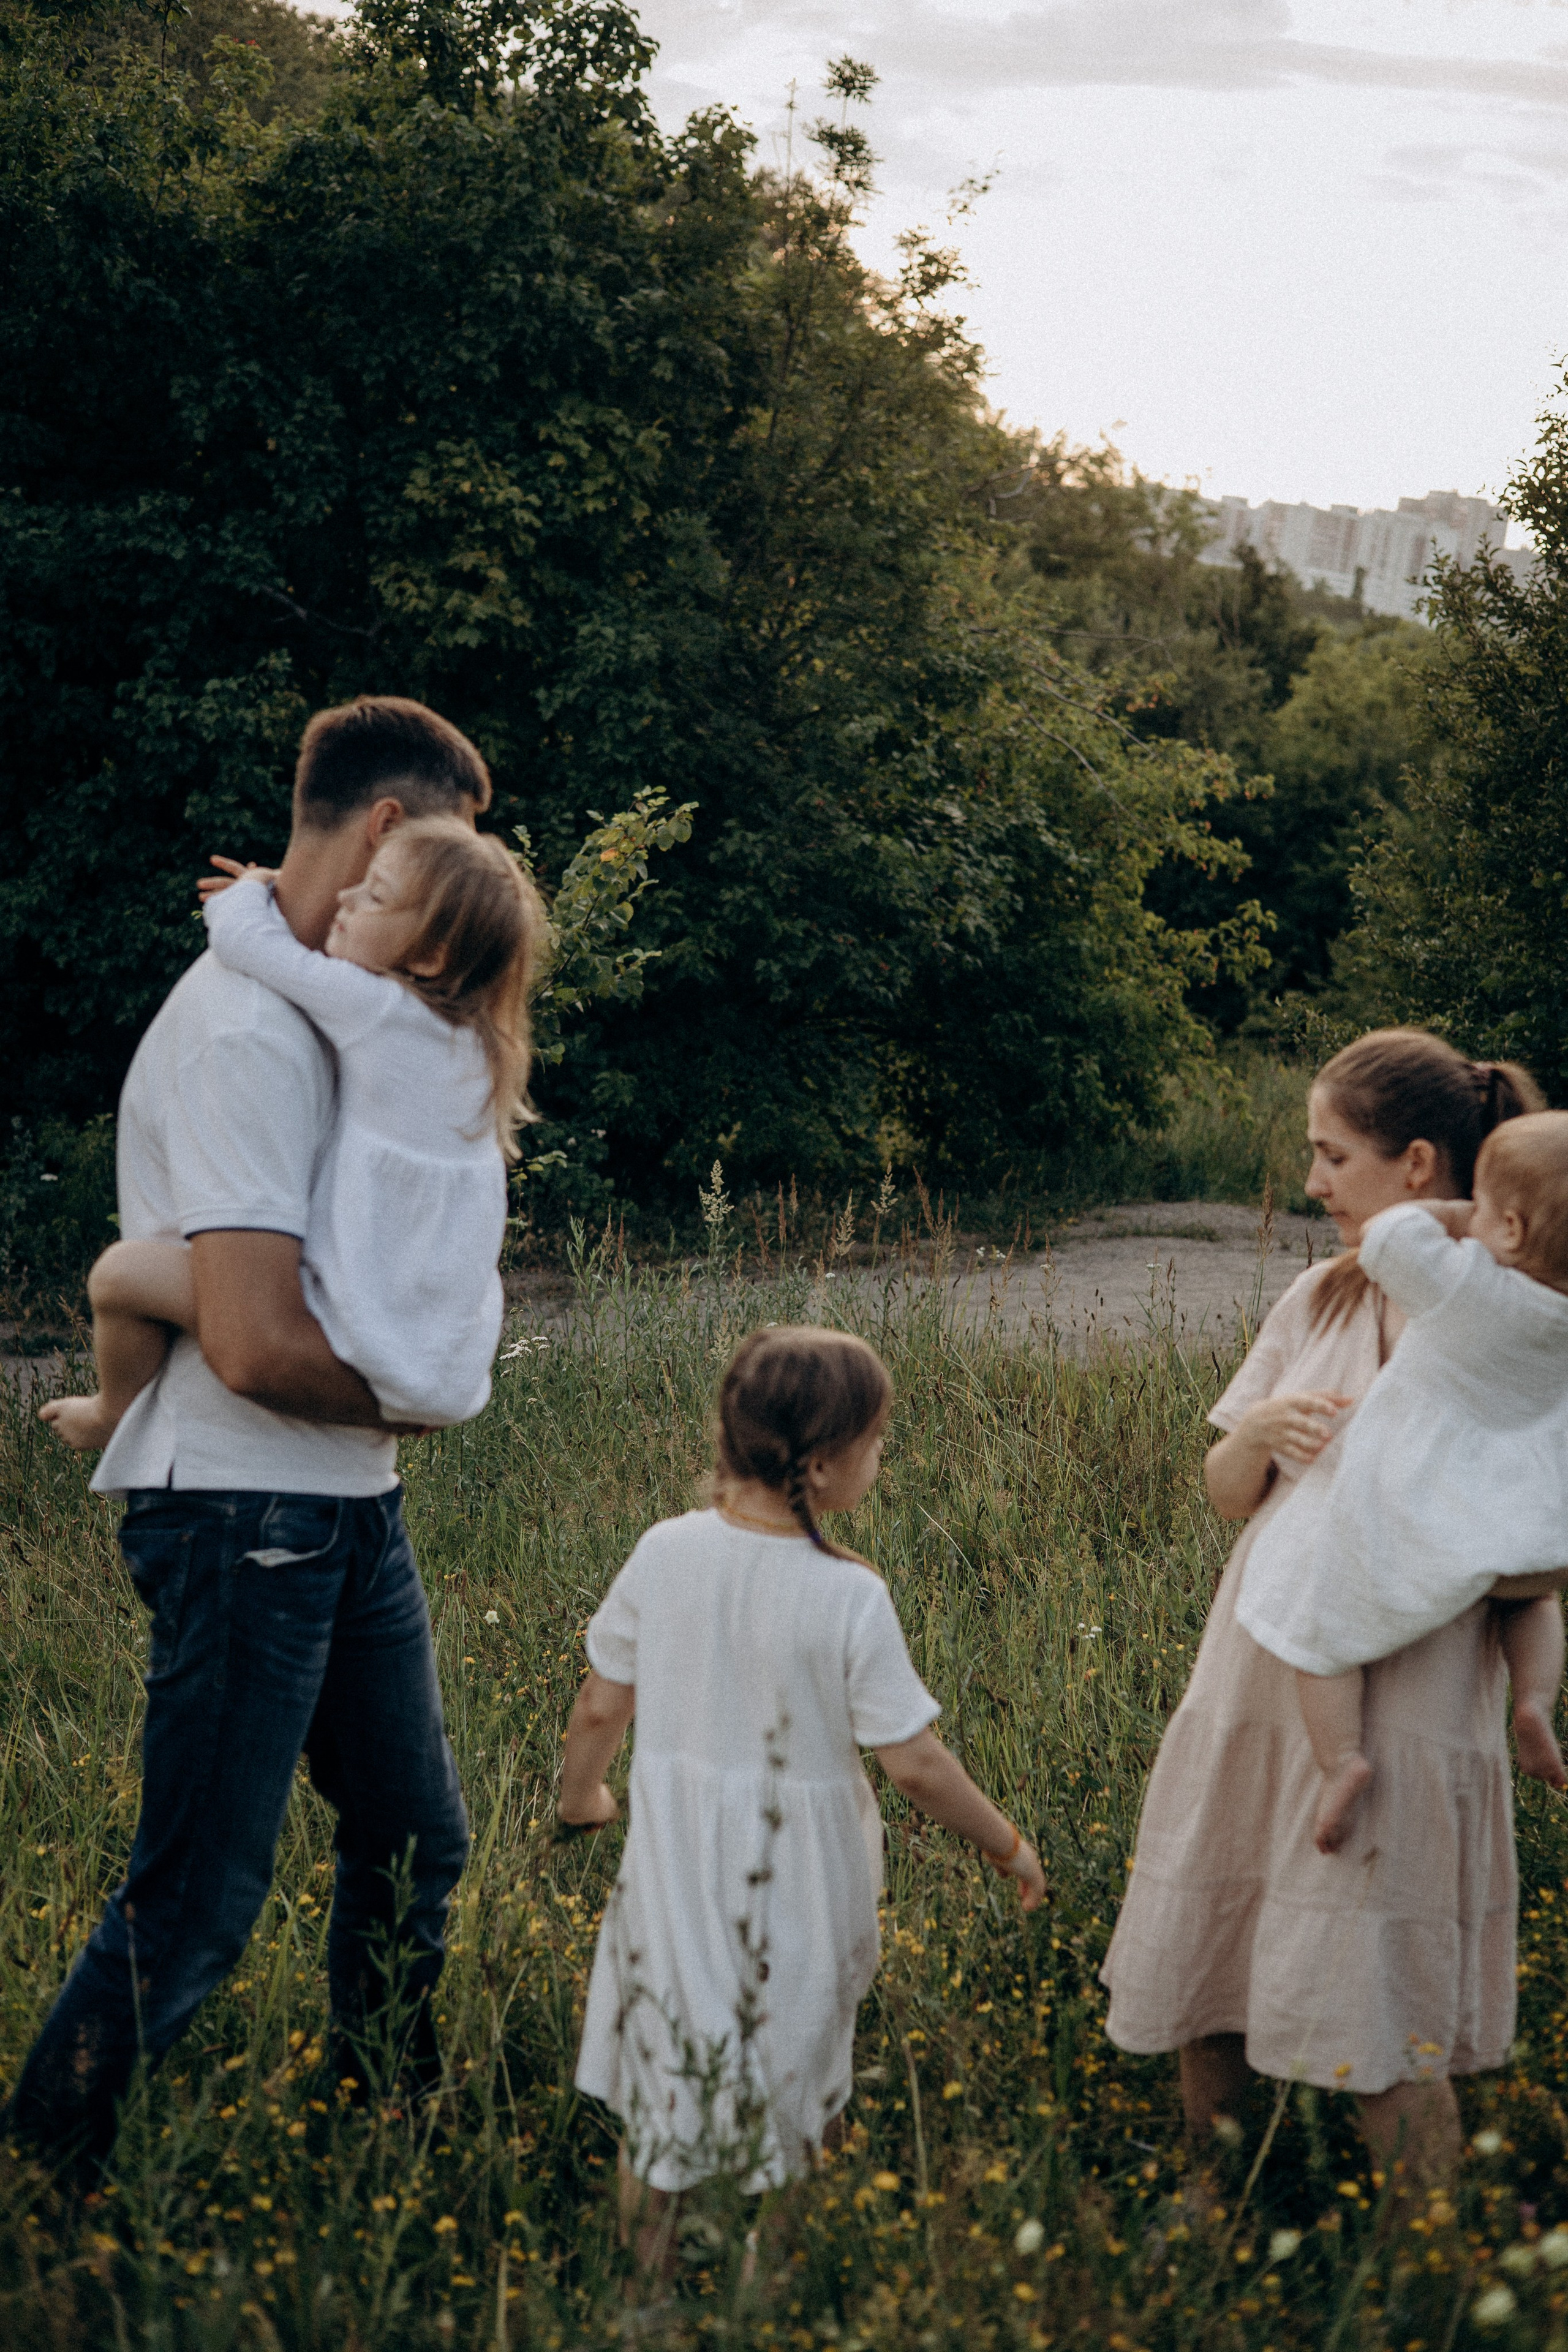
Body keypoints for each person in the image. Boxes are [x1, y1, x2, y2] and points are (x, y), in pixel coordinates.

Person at [5, 695, 487, 2167]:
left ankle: (379, 2123)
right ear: (387, 827)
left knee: (412, 1837)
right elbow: (253, 1339)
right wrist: (418, 1396)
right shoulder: (247, 1034)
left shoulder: (335, 997)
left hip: (339, 1501)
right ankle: (44, 2171)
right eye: (447, 844)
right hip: (239, 1508)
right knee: (200, 1898)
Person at [1101, 1029, 1556, 2193]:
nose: (1311, 1182)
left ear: (1418, 1166)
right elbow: (1227, 1492)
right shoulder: (1322, 1296)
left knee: (1384, 1988)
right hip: (1262, 1677)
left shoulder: (1523, 1325)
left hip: (1412, 1706)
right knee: (1213, 1943)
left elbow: (1535, 1556)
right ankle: (1213, 2193)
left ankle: (1423, 2249)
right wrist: (1256, 1434)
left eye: (1332, 1155)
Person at [557, 1325, 1046, 2271]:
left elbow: (600, 1705)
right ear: (822, 1466)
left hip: (673, 1879)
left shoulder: (663, 1552)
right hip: (802, 1887)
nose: (882, 1459)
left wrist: (585, 1798)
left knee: (665, 2092)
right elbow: (915, 1764)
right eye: (877, 1442)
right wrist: (1005, 1843)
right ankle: (774, 2278)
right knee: (801, 2071)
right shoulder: (849, 1595)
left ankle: (645, 2299)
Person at [42, 818, 543, 1450]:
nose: (344, 898)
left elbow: (247, 943)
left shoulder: (377, 1010)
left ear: (430, 957)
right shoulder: (482, 1049)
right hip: (442, 1358)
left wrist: (256, 888)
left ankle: (113, 1414)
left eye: (374, 895)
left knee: (119, 1276)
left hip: (354, 1330)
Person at [1239, 1111, 1568, 1854]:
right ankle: (1534, 1702)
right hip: (1526, 1512)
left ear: (1510, 1229)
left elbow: (1387, 1239)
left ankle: (1341, 1762)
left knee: (1316, 1624)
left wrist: (1449, 1213)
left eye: (1483, 1208)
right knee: (1533, 1600)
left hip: (1419, 1498)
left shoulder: (1471, 1290)